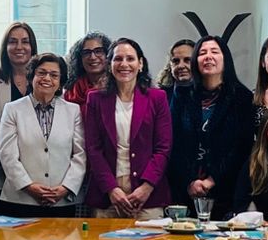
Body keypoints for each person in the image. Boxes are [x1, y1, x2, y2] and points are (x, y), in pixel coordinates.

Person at [166, 35, 255, 218]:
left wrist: (211, 180)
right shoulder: (182, 95)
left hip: (226, 189)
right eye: (202, 53)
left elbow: (242, 147)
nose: (208, 57)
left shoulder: (242, 97)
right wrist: (190, 181)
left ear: (225, 59)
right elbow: (174, 143)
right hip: (185, 190)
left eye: (214, 52)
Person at [85, 38, 172, 219]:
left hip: (147, 197)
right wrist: (111, 189)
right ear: (109, 65)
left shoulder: (157, 98)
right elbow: (94, 149)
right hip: (107, 197)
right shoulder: (95, 99)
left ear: (140, 64)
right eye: (118, 59)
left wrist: (146, 188)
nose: (124, 64)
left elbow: (163, 148)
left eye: (130, 59)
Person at [0, 53, 86, 217]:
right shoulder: (12, 109)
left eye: (54, 75)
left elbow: (80, 154)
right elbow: (7, 154)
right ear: (31, 76)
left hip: (62, 200)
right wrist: (29, 186)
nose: (47, 78)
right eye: (41, 73)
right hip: (21, 200)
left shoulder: (73, 111)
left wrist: (65, 188)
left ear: (60, 82)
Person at [0, 22, 37, 180]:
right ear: (5, 47)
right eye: (12, 41)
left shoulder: (45, 80)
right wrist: (3, 160)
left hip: (41, 168)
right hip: (3, 171)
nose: (19, 47)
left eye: (25, 41)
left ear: (32, 47)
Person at [64, 30, 111, 108]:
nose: (92, 57)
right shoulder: (71, 91)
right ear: (80, 58)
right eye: (87, 52)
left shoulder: (117, 87)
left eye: (98, 51)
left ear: (108, 55)